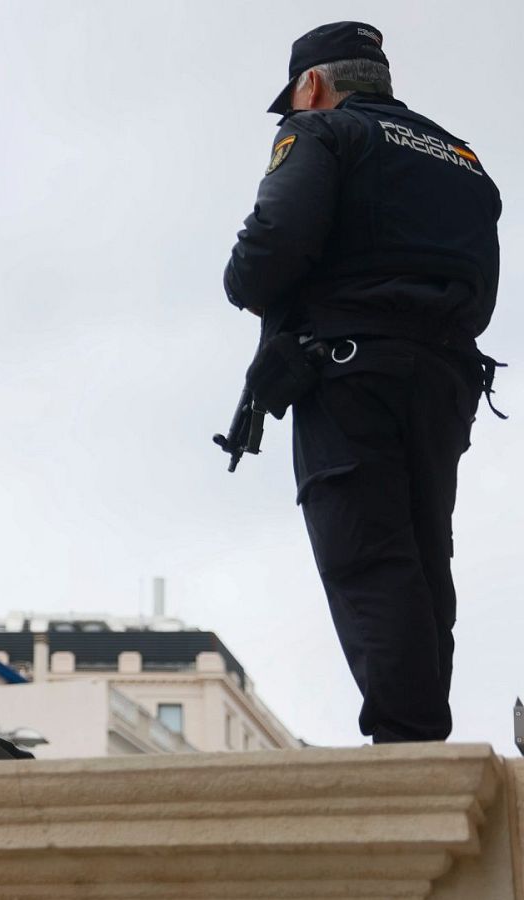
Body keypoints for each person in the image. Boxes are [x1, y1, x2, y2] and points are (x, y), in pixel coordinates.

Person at [223, 21, 503, 743]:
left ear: (312, 85)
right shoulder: (462, 157)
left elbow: (269, 250)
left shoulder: (321, 134)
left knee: (368, 555)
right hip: (444, 380)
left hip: (350, 375)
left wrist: (242, 278)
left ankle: (406, 744)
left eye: (294, 100)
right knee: (422, 554)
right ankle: (419, 731)